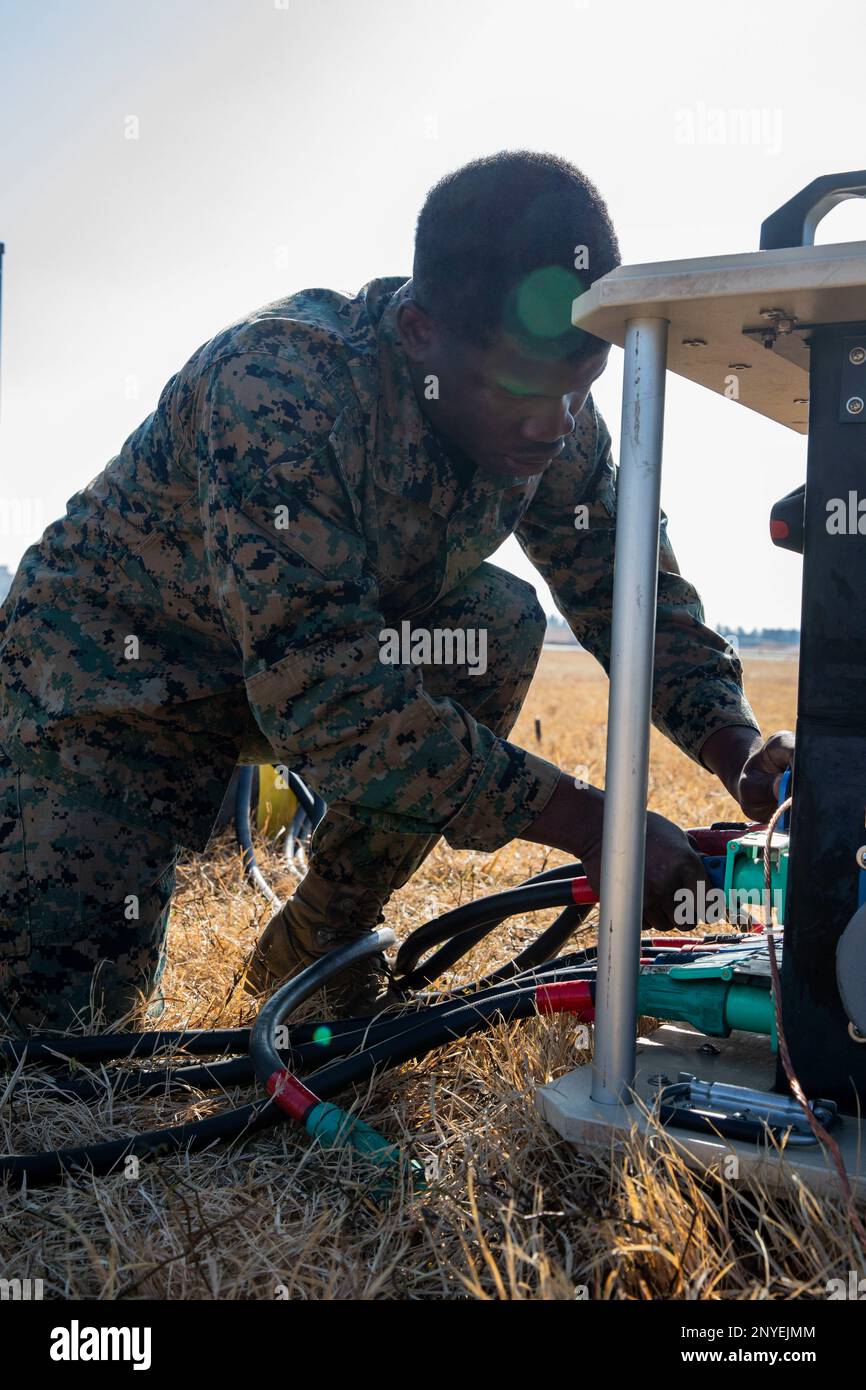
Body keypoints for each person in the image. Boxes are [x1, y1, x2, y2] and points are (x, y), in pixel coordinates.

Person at [0, 150, 793, 1033]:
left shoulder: (550, 398)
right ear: (418, 333)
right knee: (60, 1041)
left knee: (492, 627)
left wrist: (739, 751)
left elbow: (631, 591)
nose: (553, 423)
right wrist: (594, 828)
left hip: (298, 680)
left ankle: (316, 951)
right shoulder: (281, 385)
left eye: (580, 387)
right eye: (523, 389)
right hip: (109, 696)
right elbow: (329, 698)